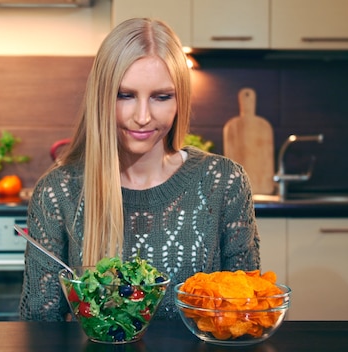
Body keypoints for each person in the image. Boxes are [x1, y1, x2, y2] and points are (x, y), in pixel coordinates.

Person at [19, 17, 260, 321]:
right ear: (102, 98)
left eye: (161, 97)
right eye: (125, 95)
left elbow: (248, 312)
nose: (143, 117)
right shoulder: (57, 192)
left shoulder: (224, 182)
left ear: (179, 99)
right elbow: (40, 326)